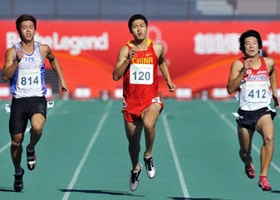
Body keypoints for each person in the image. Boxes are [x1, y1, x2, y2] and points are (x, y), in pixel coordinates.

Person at [2, 14, 68, 192]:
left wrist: (61, 79)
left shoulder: (43, 49)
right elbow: (5, 76)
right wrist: (17, 61)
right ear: (18, 30)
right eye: (24, 27)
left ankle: (31, 148)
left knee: (37, 128)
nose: (28, 30)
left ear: (35, 29)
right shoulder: (12, 51)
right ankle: (18, 171)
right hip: (19, 100)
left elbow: (54, 60)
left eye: (31, 26)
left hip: (37, 98)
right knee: (16, 142)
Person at [112, 14, 176, 191]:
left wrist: (168, 80)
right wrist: (127, 61)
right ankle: (135, 168)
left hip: (150, 99)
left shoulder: (157, 48)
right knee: (133, 143)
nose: (139, 29)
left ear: (147, 28)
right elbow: (116, 76)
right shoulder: (125, 50)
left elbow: (161, 62)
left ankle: (148, 156)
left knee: (149, 124)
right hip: (131, 101)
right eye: (135, 26)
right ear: (130, 30)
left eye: (142, 25)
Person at [227, 29, 279, 191]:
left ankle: (263, 177)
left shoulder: (268, 63)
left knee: (269, 137)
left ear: (259, 46)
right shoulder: (238, 64)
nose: (251, 46)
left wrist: (275, 92)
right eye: (247, 43)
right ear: (243, 47)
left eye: (254, 43)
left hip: (263, 109)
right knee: (244, 152)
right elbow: (230, 89)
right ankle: (248, 163)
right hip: (245, 113)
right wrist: (243, 71)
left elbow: (273, 72)